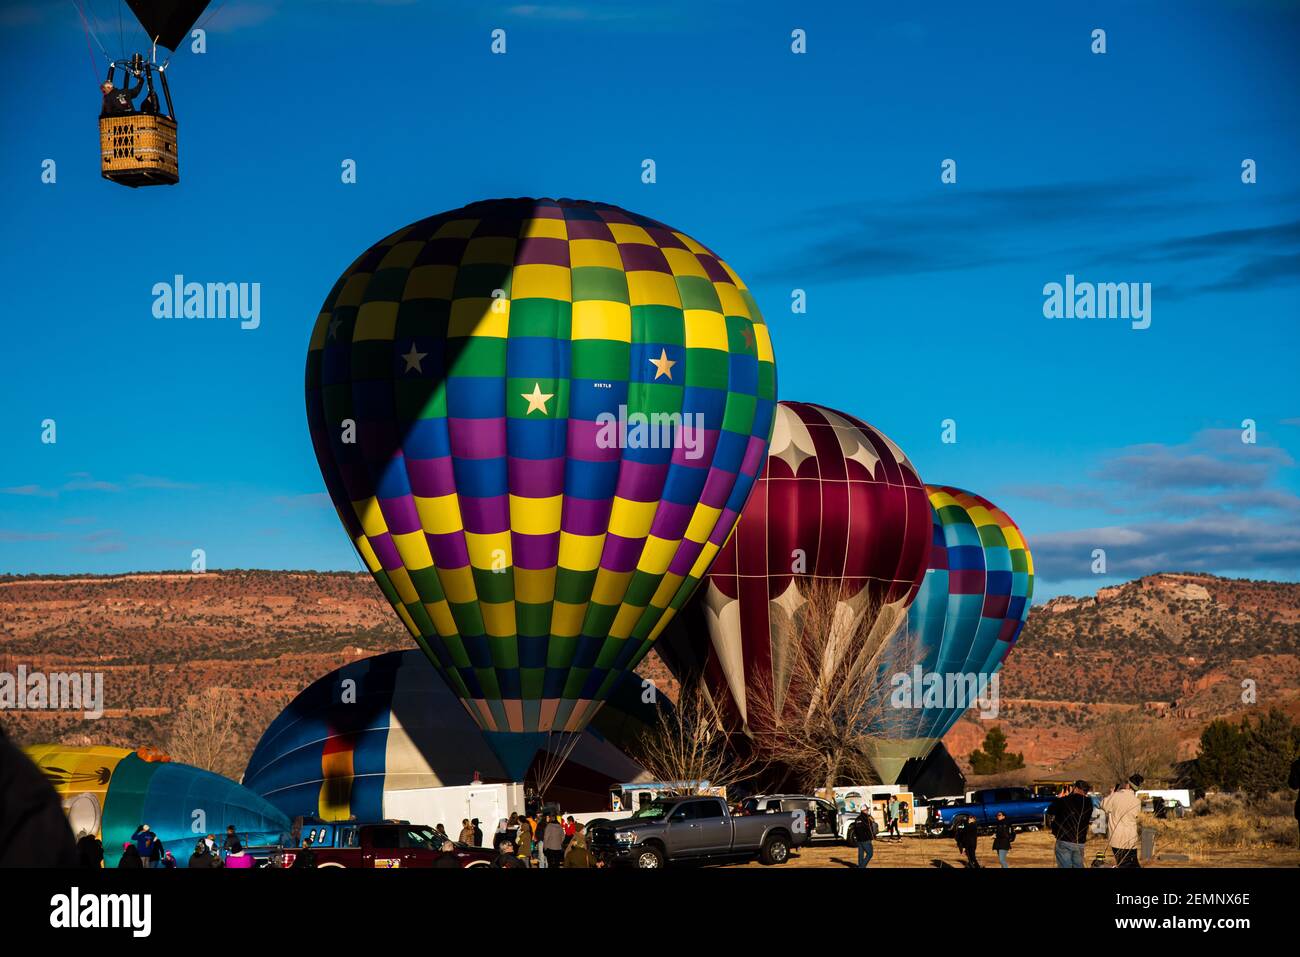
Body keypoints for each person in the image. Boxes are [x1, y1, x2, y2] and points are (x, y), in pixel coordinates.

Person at [1047, 780, 1094, 868]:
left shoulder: (1064, 800)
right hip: (1080, 840)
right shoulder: (1088, 803)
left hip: (1064, 839)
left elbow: (1050, 810)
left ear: (1075, 788)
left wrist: (1060, 798)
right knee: (1078, 865)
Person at [1101, 776, 1143, 868]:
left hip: (1116, 837)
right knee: (1132, 864)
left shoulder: (1116, 796)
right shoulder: (1137, 801)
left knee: (1123, 864)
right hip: (1131, 838)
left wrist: (1112, 794)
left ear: (1128, 784)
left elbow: (1103, 805)